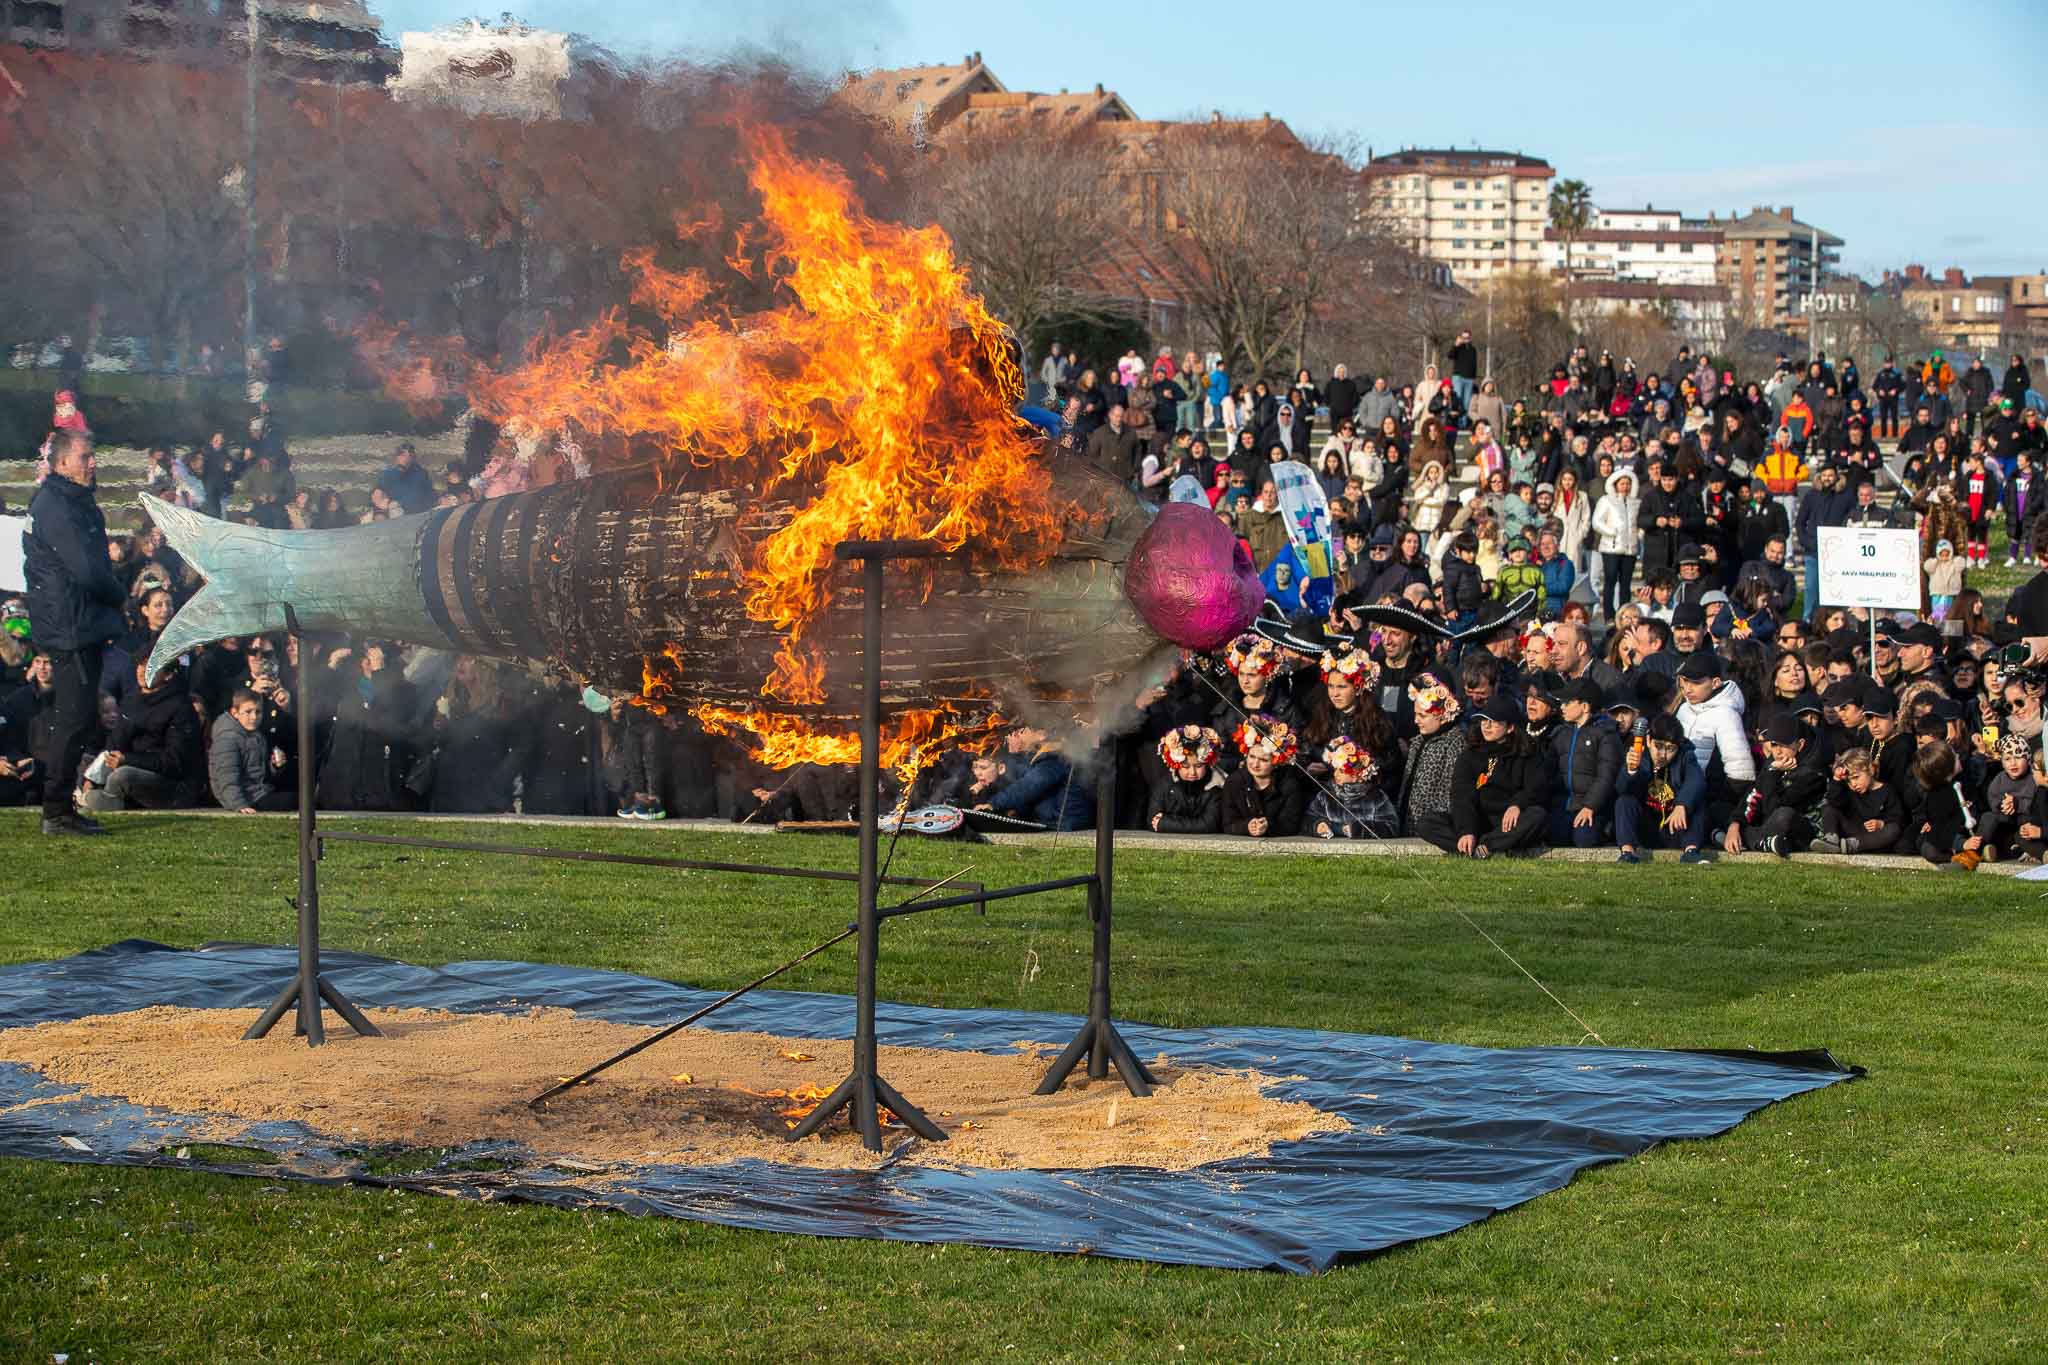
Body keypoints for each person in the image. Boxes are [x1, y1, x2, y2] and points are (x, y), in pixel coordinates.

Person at [22, 429, 125, 836]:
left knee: (78, 718)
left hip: (75, 624)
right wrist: (119, 596)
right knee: (73, 719)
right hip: (71, 629)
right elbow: (86, 569)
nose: (93, 462)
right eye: (85, 456)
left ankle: (59, 808)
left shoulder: (64, 500)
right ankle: (56, 812)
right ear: (62, 462)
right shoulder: (58, 508)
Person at [1614, 712, 1709, 864]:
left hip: (1675, 827)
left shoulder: (1686, 756)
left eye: (1670, 749)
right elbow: (1621, 788)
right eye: (1658, 746)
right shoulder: (1639, 754)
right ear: (1648, 739)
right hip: (1647, 827)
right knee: (1624, 801)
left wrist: (1682, 805)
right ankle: (1627, 853)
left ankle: (1691, 851)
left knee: (1697, 802)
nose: (1663, 755)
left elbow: (1696, 780)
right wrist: (1631, 771)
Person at [1549, 676, 1620, 848]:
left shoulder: (1605, 734)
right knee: (1556, 837)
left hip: (1593, 806)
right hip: (1565, 804)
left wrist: (1590, 806)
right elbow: (1549, 772)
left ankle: (1608, 829)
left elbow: (1606, 776)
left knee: (1585, 839)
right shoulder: (1561, 733)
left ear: (1585, 706)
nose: (1562, 707)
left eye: (1567, 702)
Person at [1220, 713, 1307, 837]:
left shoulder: (1289, 785)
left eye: (1264, 760)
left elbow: (1291, 824)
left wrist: (1268, 826)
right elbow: (1228, 823)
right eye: (1252, 757)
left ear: (1276, 762)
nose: (1255, 764)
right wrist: (1246, 827)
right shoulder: (1234, 782)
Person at [209, 687, 291, 813]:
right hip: (248, 798)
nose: (254, 717)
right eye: (248, 712)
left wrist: (275, 765)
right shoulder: (228, 738)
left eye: (258, 712)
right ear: (235, 713)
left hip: (259, 792)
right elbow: (227, 777)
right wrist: (240, 805)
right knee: (298, 800)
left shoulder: (255, 734)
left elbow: (258, 770)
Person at [1816, 748, 1906, 855]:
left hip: (1872, 837)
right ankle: (1831, 840)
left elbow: (1898, 817)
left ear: (1871, 770)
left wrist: (1881, 823)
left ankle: (1853, 845)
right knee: (1829, 807)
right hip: (1852, 830)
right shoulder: (1848, 790)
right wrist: (1837, 780)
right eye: (1849, 780)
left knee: (1893, 830)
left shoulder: (1887, 790)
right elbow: (1834, 801)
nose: (1853, 784)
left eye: (1856, 777)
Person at [1147, 725, 1224, 834]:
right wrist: (1195, 823)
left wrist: (1166, 823)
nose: (1192, 772)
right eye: (1186, 766)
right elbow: (1153, 821)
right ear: (1176, 764)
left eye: (1198, 766)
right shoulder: (1165, 785)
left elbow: (1209, 825)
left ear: (1208, 764)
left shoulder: (1216, 786)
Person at [1591, 469, 1641, 620]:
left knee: (1625, 584)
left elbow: (1639, 522)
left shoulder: (1636, 503)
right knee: (1610, 581)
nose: (1625, 486)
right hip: (1611, 548)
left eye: (1628, 483)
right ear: (1615, 484)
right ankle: (1609, 615)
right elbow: (1597, 522)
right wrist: (1612, 531)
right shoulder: (1606, 500)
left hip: (1630, 549)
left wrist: (1638, 534)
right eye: (1622, 483)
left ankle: (1624, 613)